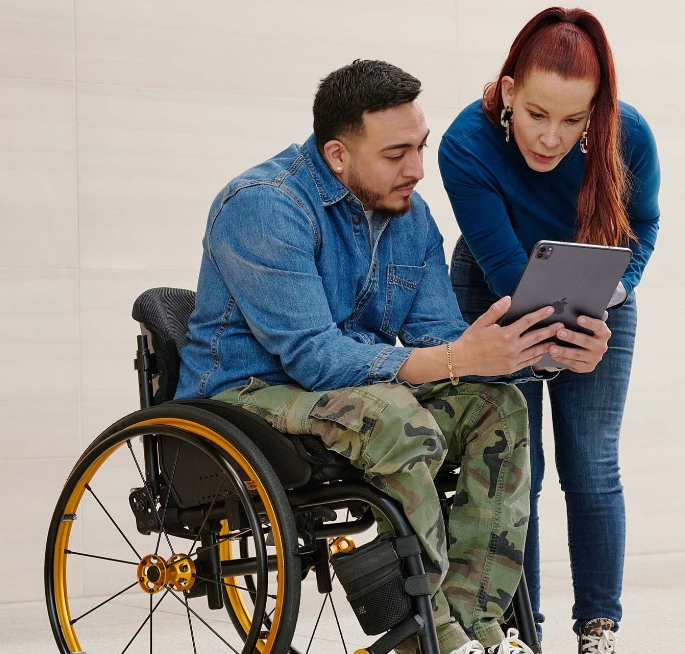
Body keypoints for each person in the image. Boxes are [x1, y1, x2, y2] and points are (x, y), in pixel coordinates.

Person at [176, 59, 612, 654]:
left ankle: (471, 626)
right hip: (247, 395)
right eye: (396, 154)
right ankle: (437, 633)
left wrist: (549, 353)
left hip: (350, 398)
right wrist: (455, 358)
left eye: (422, 146)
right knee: (393, 417)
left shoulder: (412, 216)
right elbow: (315, 358)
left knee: (499, 405)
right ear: (337, 156)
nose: (417, 169)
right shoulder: (262, 207)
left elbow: (442, 336)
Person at [438, 8, 661, 653]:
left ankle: (599, 628)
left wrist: (616, 295)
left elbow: (642, 227)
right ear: (509, 90)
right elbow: (510, 272)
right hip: (494, 286)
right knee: (515, 466)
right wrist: (552, 349)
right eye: (537, 114)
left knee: (592, 466)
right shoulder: (466, 145)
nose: (551, 138)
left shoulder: (628, 136)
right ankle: (517, 630)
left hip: (597, 294)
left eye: (573, 120)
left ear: (597, 108)